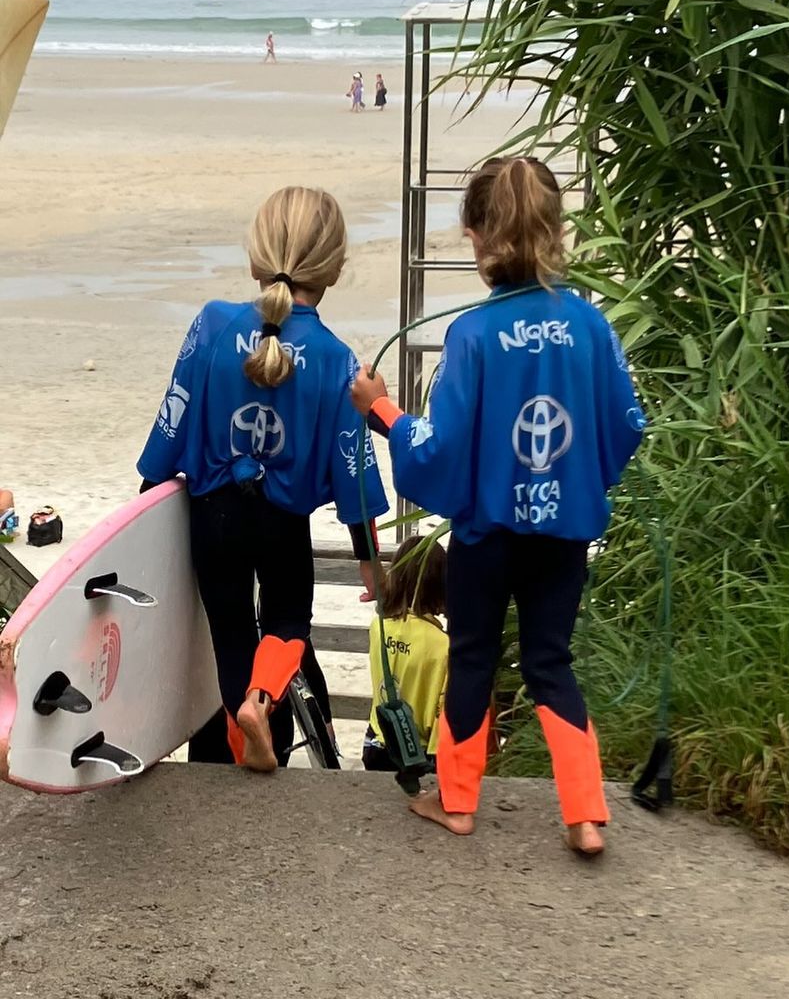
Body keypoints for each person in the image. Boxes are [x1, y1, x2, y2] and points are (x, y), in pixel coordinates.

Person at [351, 156, 645, 854]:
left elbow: (438, 446)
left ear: (477, 237)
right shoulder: (589, 325)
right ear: (557, 231)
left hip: (488, 535)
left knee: (474, 655)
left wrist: (382, 409)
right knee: (551, 660)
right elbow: (627, 423)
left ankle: (455, 802)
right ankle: (584, 814)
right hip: (563, 532)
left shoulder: (474, 335)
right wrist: (577, 483)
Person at [138, 186, 388, 771]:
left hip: (213, 513)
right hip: (280, 520)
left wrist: (148, 498)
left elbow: (173, 415)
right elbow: (354, 470)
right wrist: (368, 558)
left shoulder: (212, 325)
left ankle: (240, 740)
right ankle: (262, 700)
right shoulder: (336, 358)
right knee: (286, 622)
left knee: (229, 632)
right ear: (333, 269)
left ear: (257, 257)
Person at [363, 535, 447, 773]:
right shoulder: (442, 646)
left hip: (376, 742)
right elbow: (441, 712)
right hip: (417, 752)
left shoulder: (377, 628)